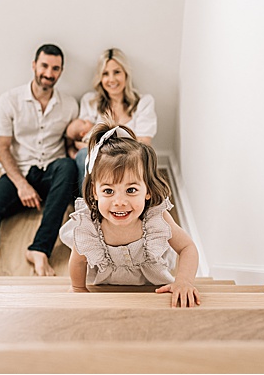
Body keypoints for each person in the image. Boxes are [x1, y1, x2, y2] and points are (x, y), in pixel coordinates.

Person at [0, 44, 79, 277]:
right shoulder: (9, 100)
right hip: (21, 172)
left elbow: (70, 146)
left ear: (61, 71)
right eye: (44, 66)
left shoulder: (70, 105)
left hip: (54, 173)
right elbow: (2, 148)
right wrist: (21, 185)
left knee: (68, 166)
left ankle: (40, 249)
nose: (49, 73)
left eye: (55, 68)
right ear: (34, 65)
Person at [60, 123, 201, 308]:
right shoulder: (90, 225)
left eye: (131, 190)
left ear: (148, 190)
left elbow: (187, 247)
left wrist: (184, 281)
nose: (119, 201)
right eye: (109, 191)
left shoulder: (156, 219)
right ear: (95, 192)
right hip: (105, 294)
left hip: (153, 293)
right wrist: (78, 288)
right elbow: (77, 261)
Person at [75, 48, 157, 188]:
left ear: (126, 74)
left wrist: (105, 149)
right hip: (99, 164)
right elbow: (80, 142)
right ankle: (89, 206)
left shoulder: (143, 102)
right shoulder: (90, 102)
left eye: (117, 72)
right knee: (84, 155)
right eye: (105, 74)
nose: (111, 79)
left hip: (131, 162)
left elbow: (144, 144)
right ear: (100, 78)